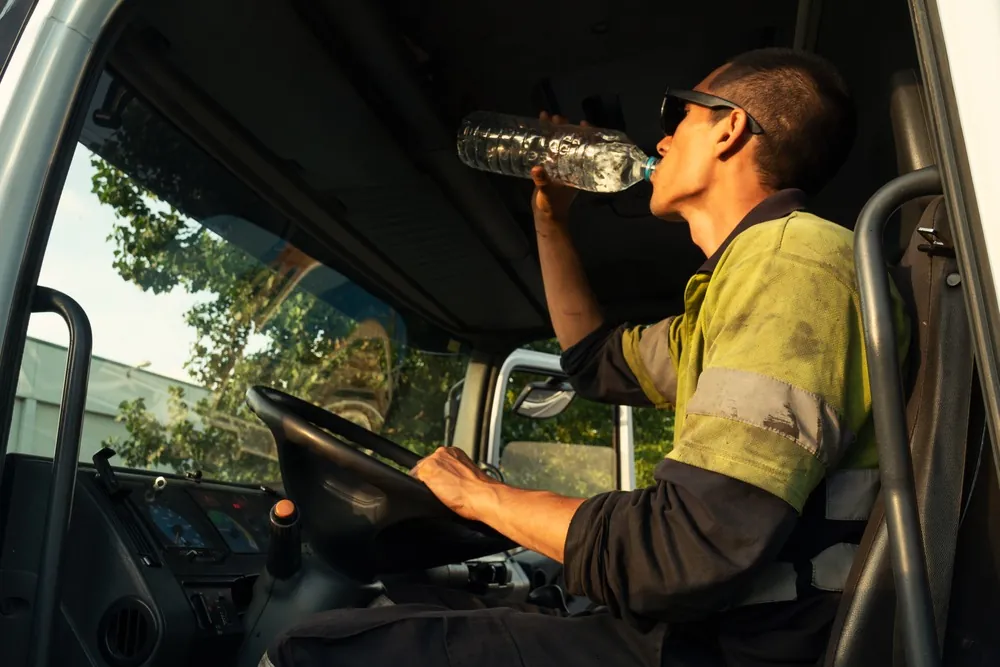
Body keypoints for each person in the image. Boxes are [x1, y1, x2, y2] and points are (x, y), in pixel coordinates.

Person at [265, 48, 908, 667]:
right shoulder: (742, 283)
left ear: (729, 128)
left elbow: (686, 549)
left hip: (732, 648)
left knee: (316, 650)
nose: (661, 142)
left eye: (679, 115)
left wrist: (483, 496)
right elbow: (595, 362)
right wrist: (551, 219)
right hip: (700, 634)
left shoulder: (792, 266)